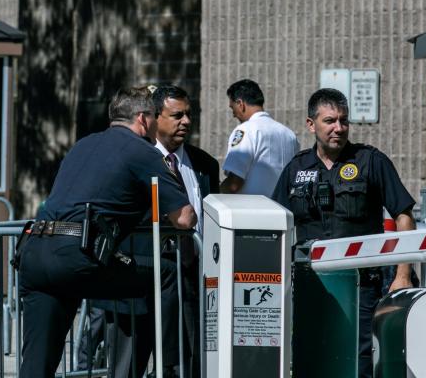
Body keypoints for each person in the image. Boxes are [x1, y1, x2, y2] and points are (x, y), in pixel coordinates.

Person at [17, 87, 196, 378]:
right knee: (167, 273)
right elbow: (185, 219)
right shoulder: (143, 151)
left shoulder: (83, 144)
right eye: (153, 116)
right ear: (142, 118)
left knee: (37, 365)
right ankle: (172, 365)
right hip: (77, 256)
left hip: (34, 253)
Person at [272, 88, 416, 378]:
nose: (339, 128)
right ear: (311, 124)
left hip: (361, 285)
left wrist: (402, 275)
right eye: (330, 121)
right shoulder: (296, 168)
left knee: (357, 358)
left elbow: (403, 216)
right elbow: (276, 222)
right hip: (312, 286)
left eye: (344, 121)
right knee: (311, 353)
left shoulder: (370, 161)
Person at [103, 85, 219, 378]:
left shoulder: (205, 164)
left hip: (187, 283)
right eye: (177, 115)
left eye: (189, 114)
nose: (186, 121)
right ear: (154, 117)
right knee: (127, 368)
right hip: (138, 281)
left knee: (184, 366)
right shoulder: (131, 158)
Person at [220, 79, 299, 195]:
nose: (233, 114)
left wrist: (219, 188)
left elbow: (233, 184)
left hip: (251, 211)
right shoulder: (290, 135)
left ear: (240, 104)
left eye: (233, 108)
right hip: (284, 210)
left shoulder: (245, 130)